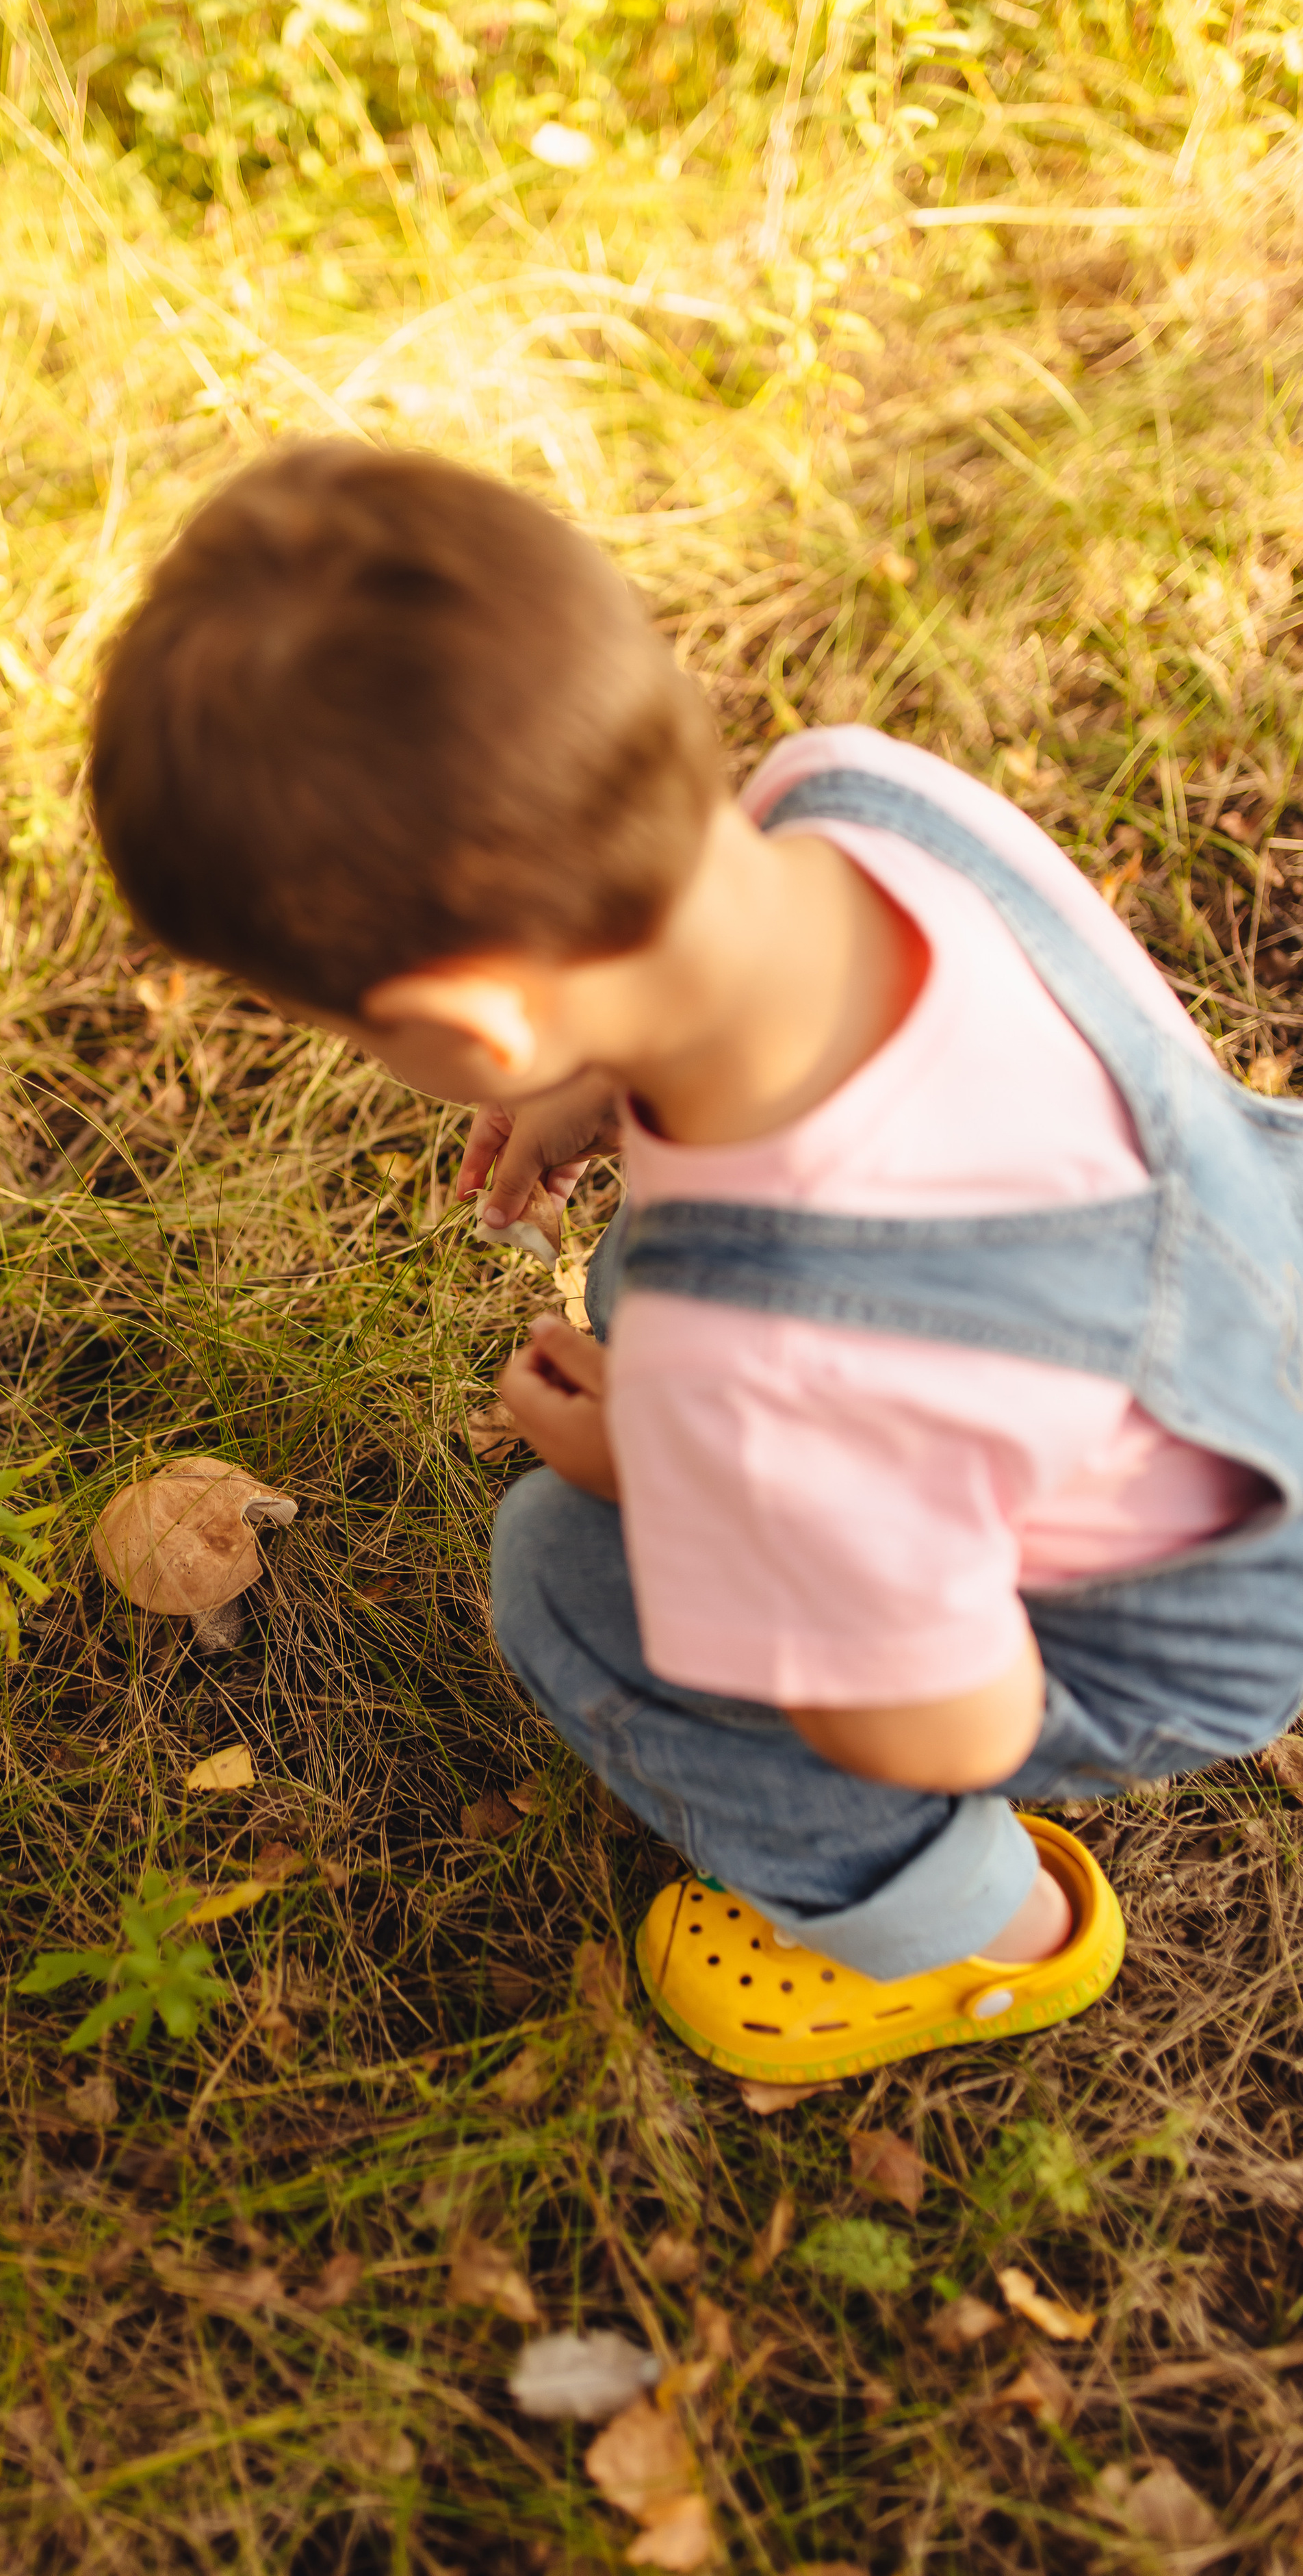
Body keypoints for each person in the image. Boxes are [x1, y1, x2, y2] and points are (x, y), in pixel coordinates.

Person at [87, 437, 1303, 2083]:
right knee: (674, 1349)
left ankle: (979, 1934)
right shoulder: (849, 796)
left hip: (1184, 1611)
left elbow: (952, 1721)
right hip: (1247, 1299)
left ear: (468, 1024)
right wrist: (608, 1078)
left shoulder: (775, 1374)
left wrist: (665, 1471)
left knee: (561, 1576)